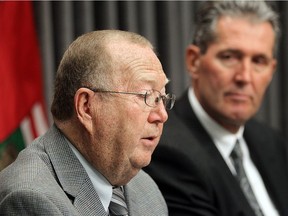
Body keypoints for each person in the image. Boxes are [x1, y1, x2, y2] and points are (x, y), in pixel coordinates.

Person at [0, 30, 176, 215]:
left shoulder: (145, 189)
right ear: (87, 106)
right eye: (145, 96)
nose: (162, 115)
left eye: (161, 98)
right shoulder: (31, 198)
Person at [144, 1, 288, 216]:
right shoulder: (167, 151)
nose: (244, 77)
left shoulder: (272, 142)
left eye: (259, 61)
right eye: (229, 57)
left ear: (272, 69)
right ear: (194, 61)